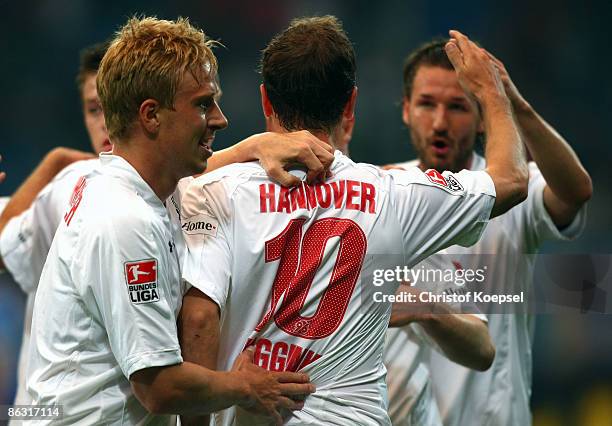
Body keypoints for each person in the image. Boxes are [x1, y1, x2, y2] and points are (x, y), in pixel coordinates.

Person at [178, 16, 528, 426]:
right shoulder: (393, 194)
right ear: (350, 105)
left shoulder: (211, 191)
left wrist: (248, 148)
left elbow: (199, 317)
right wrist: (490, 90)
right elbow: (512, 179)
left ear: (265, 101)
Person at [21, 16, 343, 425]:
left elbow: (198, 170)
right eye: (203, 104)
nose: (220, 119)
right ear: (151, 115)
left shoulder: (131, 182)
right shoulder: (125, 221)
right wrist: (246, 386)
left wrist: (258, 145)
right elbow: (159, 388)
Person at [385, 39, 592, 425]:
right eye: (427, 104)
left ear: (484, 118)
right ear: (406, 110)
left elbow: (576, 192)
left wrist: (509, 98)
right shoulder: (385, 190)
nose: (440, 122)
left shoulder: (518, 190)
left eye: (458, 106)